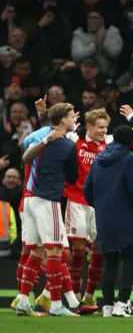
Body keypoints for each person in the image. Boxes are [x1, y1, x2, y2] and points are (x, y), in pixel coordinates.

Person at [17, 103, 80, 317]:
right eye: (72, 117)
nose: (73, 120)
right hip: (48, 200)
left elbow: (25, 156)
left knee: (36, 252)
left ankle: (24, 301)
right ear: (63, 120)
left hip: (30, 199)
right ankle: (56, 305)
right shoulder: (67, 146)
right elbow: (72, 176)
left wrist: (44, 137)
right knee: (54, 251)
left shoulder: (39, 140)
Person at [83, 125, 133, 318]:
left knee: (109, 260)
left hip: (103, 216)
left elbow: (87, 189)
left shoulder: (99, 159)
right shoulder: (128, 159)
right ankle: (123, 301)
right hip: (125, 214)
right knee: (132, 256)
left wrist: (99, 206)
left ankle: (107, 304)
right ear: (131, 141)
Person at [64, 108, 111, 314]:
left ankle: (90, 295)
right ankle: (74, 298)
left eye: (105, 127)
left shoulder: (109, 145)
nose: (103, 131)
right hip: (76, 200)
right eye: (100, 127)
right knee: (79, 252)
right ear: (89, 127)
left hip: (99, 204)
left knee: (99, 252)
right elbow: (58, 130)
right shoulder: (75, 141)